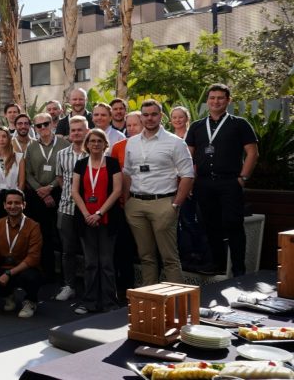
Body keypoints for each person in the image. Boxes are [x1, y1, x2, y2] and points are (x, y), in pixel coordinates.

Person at [186, 83, 258, 277]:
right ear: (207, 100)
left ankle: (239, 270)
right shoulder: (197, 126)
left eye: (220, 98)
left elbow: (252, 153)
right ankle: (217, 264)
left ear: (228, 100)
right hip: (203, 183)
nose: (215, 101)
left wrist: (242, 178)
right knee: (210, 225)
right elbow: (188, 157)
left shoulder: (240, 124)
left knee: (233, 225)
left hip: (230, 183)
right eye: (212, 98)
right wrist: (190, 181)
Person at [123, 99, 194, 285]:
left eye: (154, 114)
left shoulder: (175, 142)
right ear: (141, 117)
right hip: (136, 204)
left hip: (164, 203)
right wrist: (127, 201)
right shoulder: (131, 142)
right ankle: (149, 298)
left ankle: (176, 299)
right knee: (146, 257)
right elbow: (127, 173)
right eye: (145, 115)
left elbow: (188, 175)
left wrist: (176, 205)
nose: (149, 118)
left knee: (169, 258)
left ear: (161, 116)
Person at [70, 129, 123, 314]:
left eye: (99, 141)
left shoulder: (112, 163)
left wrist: (99, 213)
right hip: (85, 220)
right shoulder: (80, 164)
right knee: (90, 263)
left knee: (107, 263)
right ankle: (89, 302)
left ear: (105, 144)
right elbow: (74, 191)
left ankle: (110, 303)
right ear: (87, 144)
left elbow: (117, 190)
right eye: (92, 141)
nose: (96, 144)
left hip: (107, 219)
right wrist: (87, 214)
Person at [0, 189, 42, 317]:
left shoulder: (33, 226)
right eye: (9, 203)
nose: (13, 206)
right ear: (4, 205)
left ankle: (31, 301)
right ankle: (8, 296)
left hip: (23, 268)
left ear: (24, 205)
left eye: (17, 203)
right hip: (4, 267)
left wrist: (9, 273)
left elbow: (33, 258)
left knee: (32, 277)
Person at [23, 112, 69, 281]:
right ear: (35, 128)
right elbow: (28, 173)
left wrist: (50, 187)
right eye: (39, 125)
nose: (43, 127)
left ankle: (65, 275)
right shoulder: (32, 147)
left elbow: (67, 170)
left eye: (46, 124)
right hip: (37, 195)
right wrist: (41, 191)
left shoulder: (64, 144)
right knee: (42, 235)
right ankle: (47, 272)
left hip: (59, 192)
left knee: (62, 234)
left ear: (52, 124)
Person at [53, 115, 88, 303]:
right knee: (68, 250)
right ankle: (69, 286)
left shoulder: (93, 153)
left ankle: (90, 287)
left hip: (88, 209)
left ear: (86, 131)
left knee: (89, 250)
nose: (76, 133)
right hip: (66, 207)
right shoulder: (61, 154)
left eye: (79, 130)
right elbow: (60, 179)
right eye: (73, 130)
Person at [109, 110, 141, 296]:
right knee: (123, 247)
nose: (131, 128)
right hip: (122, 203)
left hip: (145, 200)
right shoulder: (118, 147)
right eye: (129, 125)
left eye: (135, 124)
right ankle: (124, 287)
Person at [0, 127, 24, 219]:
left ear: (9, 138)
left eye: (4, 136)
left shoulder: (18, 157)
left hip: (13, 196)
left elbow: (21, 182)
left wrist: (18, 198)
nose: (1, 139)